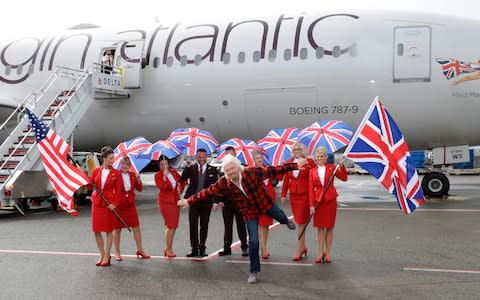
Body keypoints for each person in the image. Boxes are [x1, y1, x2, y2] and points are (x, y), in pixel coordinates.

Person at [178, 154, 305, 284]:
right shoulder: (224, 182)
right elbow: (208, 192)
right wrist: (189, 200)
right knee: (254, 242)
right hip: (249, 213)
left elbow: (274, 170)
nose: (230, 172)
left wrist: (295, 165)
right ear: (225, 172)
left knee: (280, 216)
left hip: (264, 203)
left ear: (238, 167)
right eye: (227, 170)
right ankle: (254, 272)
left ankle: (286, 221)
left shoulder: (251, 172)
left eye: (232, 168)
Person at [308, 147, 347, 264]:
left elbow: (344, 178)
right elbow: (310, 189)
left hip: (330, 200)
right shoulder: (312, 171)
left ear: (326, 158)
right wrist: (311, 206)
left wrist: (341, 166)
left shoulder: (332, 168)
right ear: (315, 158)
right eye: (318, 156)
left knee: (329, 227)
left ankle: (328, 253)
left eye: (322, 156)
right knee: (320, 228)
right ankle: (320, 253)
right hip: (318, 201)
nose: (319, 158)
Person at [280, 142, 316, 261]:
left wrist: (311, 161)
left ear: (303, 150)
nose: (296, 151)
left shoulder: (308, 162)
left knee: (300, 222)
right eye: (294, 149)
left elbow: (314, 175)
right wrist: (284, 194)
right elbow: (286, 178)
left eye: (299, 149)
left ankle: (298, 249)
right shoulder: (289, 162)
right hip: (294, 196)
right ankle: (303, 247)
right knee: (300, 222)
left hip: (305, 196)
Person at [181, 148, 219, 257]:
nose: (201, 159)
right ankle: (194, 248)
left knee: (204, 225)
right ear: (196, 157)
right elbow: (183, 178)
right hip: (192, 201)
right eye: (199, 157)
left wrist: (216, 201)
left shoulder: (213, 170)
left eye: (203, 157)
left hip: (206, 202)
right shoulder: (191, 168)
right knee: (193, 225)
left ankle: (202, 247)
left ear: (206, 157)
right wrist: (187, 165)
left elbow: (216, 187)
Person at [90, 146, 124, 267]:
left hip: (108, 205)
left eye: (113, 158)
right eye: (110, 158)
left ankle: (107, 255)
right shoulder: (96, 171)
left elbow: (119, 191)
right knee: (96, 231)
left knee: (109, 231)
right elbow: (91, 185)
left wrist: (115, 204)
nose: (113, 160)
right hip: (97, 203)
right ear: (104, 158)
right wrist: (85, 179)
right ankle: (102, 253)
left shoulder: (116, 173)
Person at [112, 157, 150, 261]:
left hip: (130, 205)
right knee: (117, 229)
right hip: (119, 204)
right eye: (123, 164)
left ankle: (140, 250)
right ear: (120, 165)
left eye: (127, 165)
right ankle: (117, 252)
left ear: (130, 166)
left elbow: (140, 189)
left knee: (136, 228)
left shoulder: (133, 175)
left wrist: (138, 179)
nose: (124, 166)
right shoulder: (115, 174)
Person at [217, 146, 249, 257]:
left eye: (231, 154)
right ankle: (227, 248)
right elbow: (218, 187)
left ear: (235, 154)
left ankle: (244, 247)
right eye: (227, 155)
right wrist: (219, 200)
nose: (229, 157)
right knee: (227, 226)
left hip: (239, 201)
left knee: (241, 225)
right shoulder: (223, 169)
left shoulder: (241, 167)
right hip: (226, 202)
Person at [252, 150, 283, 259]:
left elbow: (279, 178)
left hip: (269, 199)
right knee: (261, 224)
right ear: (254, 160)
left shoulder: (268, 169)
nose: (259, 160)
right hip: (259, 200)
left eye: (261, 158)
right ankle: (263, 248)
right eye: (257, 158)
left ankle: (264, 246)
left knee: (266, 224)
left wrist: (280, 166)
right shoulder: (252, 171)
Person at [155, 157, 185, 258]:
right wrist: (164, 178)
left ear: (168, 164)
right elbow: (163, 188)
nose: (164, 166)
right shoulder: (157, 175)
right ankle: (168, 249)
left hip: (175, 201)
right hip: (165, 202)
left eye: (166, 164)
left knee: (174, 226)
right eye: (162, 164)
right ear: (159, 166)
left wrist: (180, 189)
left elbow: (182, 181)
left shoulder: (173, 171)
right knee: (170, 225)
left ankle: (168, 247)